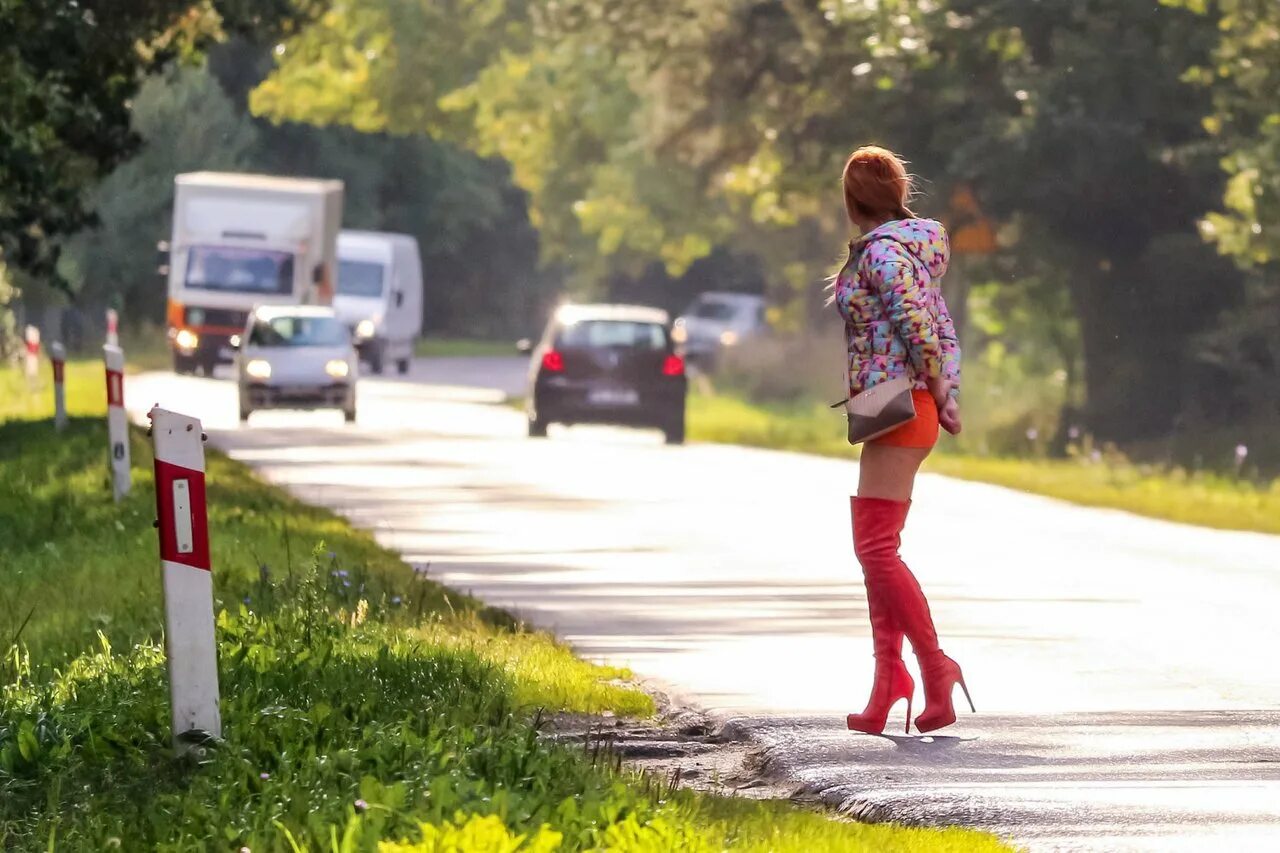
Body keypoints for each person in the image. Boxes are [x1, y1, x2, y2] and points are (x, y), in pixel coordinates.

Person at [829, 145, 973, 735]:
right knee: (875, 549)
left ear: (852, 201)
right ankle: (890, 681)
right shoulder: (909, 251)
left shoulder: (885, 257)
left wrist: (941, 391)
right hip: (895, 403)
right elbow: (938, 321)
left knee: (876, 549)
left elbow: (919, 326)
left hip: (899, 402)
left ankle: (933, 670)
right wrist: (944, 388)